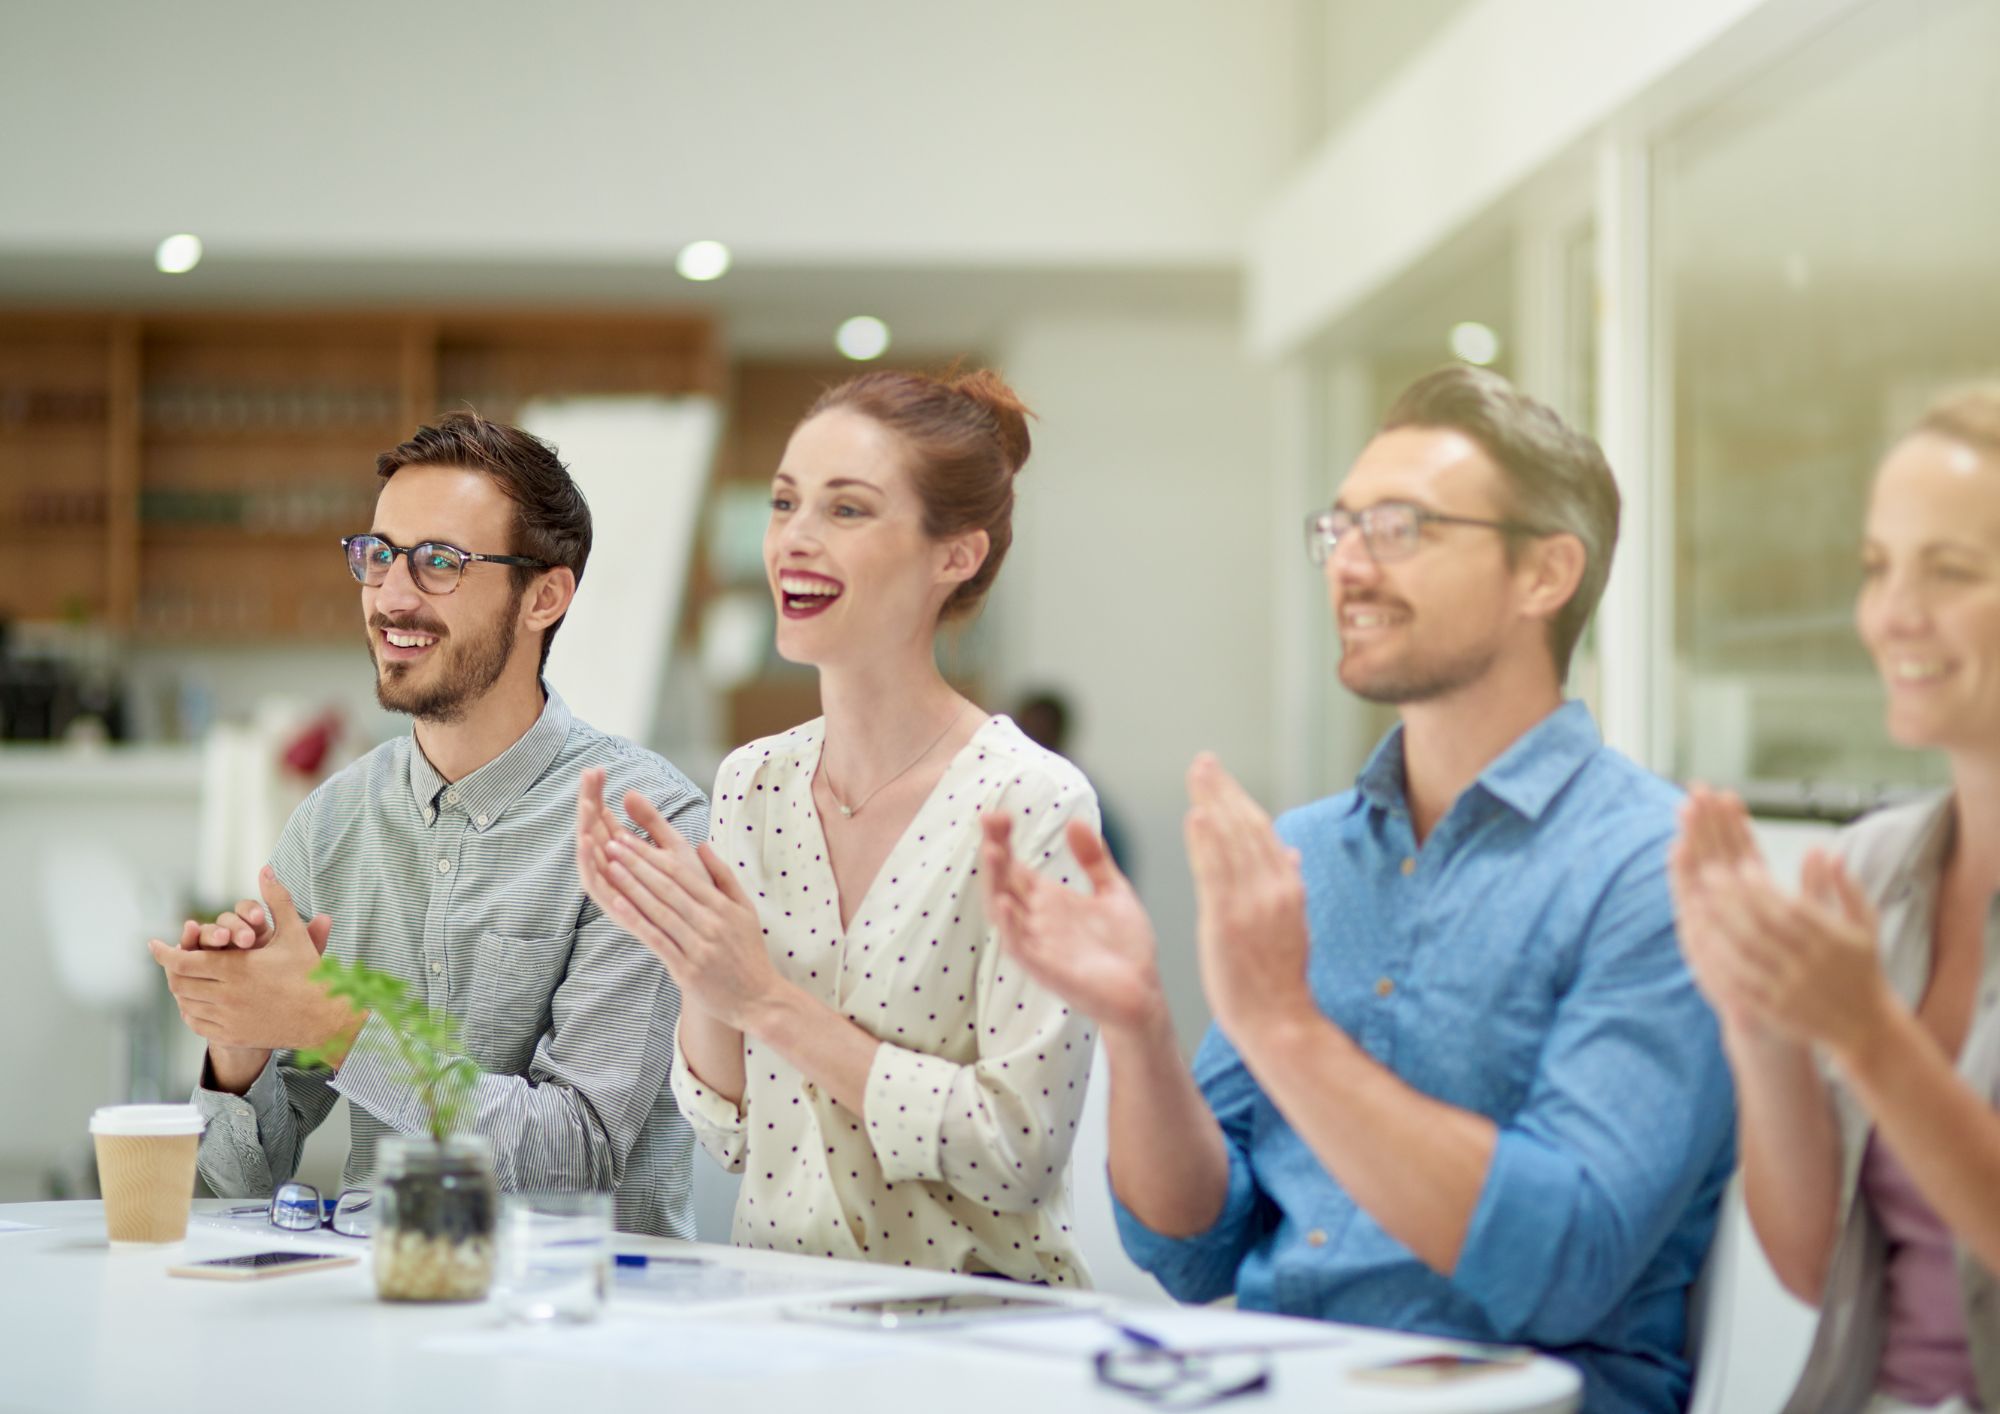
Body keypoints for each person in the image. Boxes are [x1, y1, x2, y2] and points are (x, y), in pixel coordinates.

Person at [982, 365, 1736, 1412]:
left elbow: (1563, 1262)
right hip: (1278, 1382)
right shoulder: (1307, 853)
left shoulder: (1653, 868)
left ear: (1543, 572)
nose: (1347, 563)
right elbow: (1191, 1249)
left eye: (1400, 528)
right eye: (1339, 529)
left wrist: (1287, 1031)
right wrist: (1139, 1027)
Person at [576, 368, 1100, 1283]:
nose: (795, 539)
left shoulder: (1033, 804)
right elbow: (727, 1132)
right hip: (780, 1315)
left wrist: (764, 1001)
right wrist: (693, 961)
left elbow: (1019, 1153)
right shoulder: (753, 783)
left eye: (847, 510)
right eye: (784, 503)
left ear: (955, 555)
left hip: (978, 1331)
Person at [148, 412, 707, 1237]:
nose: (392, 596)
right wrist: (242, 1043)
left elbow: (578, 1156)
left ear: (544, 597)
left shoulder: (643, 823)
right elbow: (233, 1191)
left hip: (586, 1302)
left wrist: (335, 1026)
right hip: (376, 1285)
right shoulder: (332, 823)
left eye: (440, 562)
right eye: (378, 556)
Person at [1670, 385, 2000, 1414]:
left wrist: (1867, 1036)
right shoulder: (1871, 870)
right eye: (1876, 566)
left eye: (1948, 571)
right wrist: (1759, 1024)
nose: (1891, 613)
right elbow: (1814, 1267)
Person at [1013, 688, 1133, 878]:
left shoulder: (1080, 795)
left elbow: (1114, 867)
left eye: (1040, 728)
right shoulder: (1010, 789)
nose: (1034, 735)